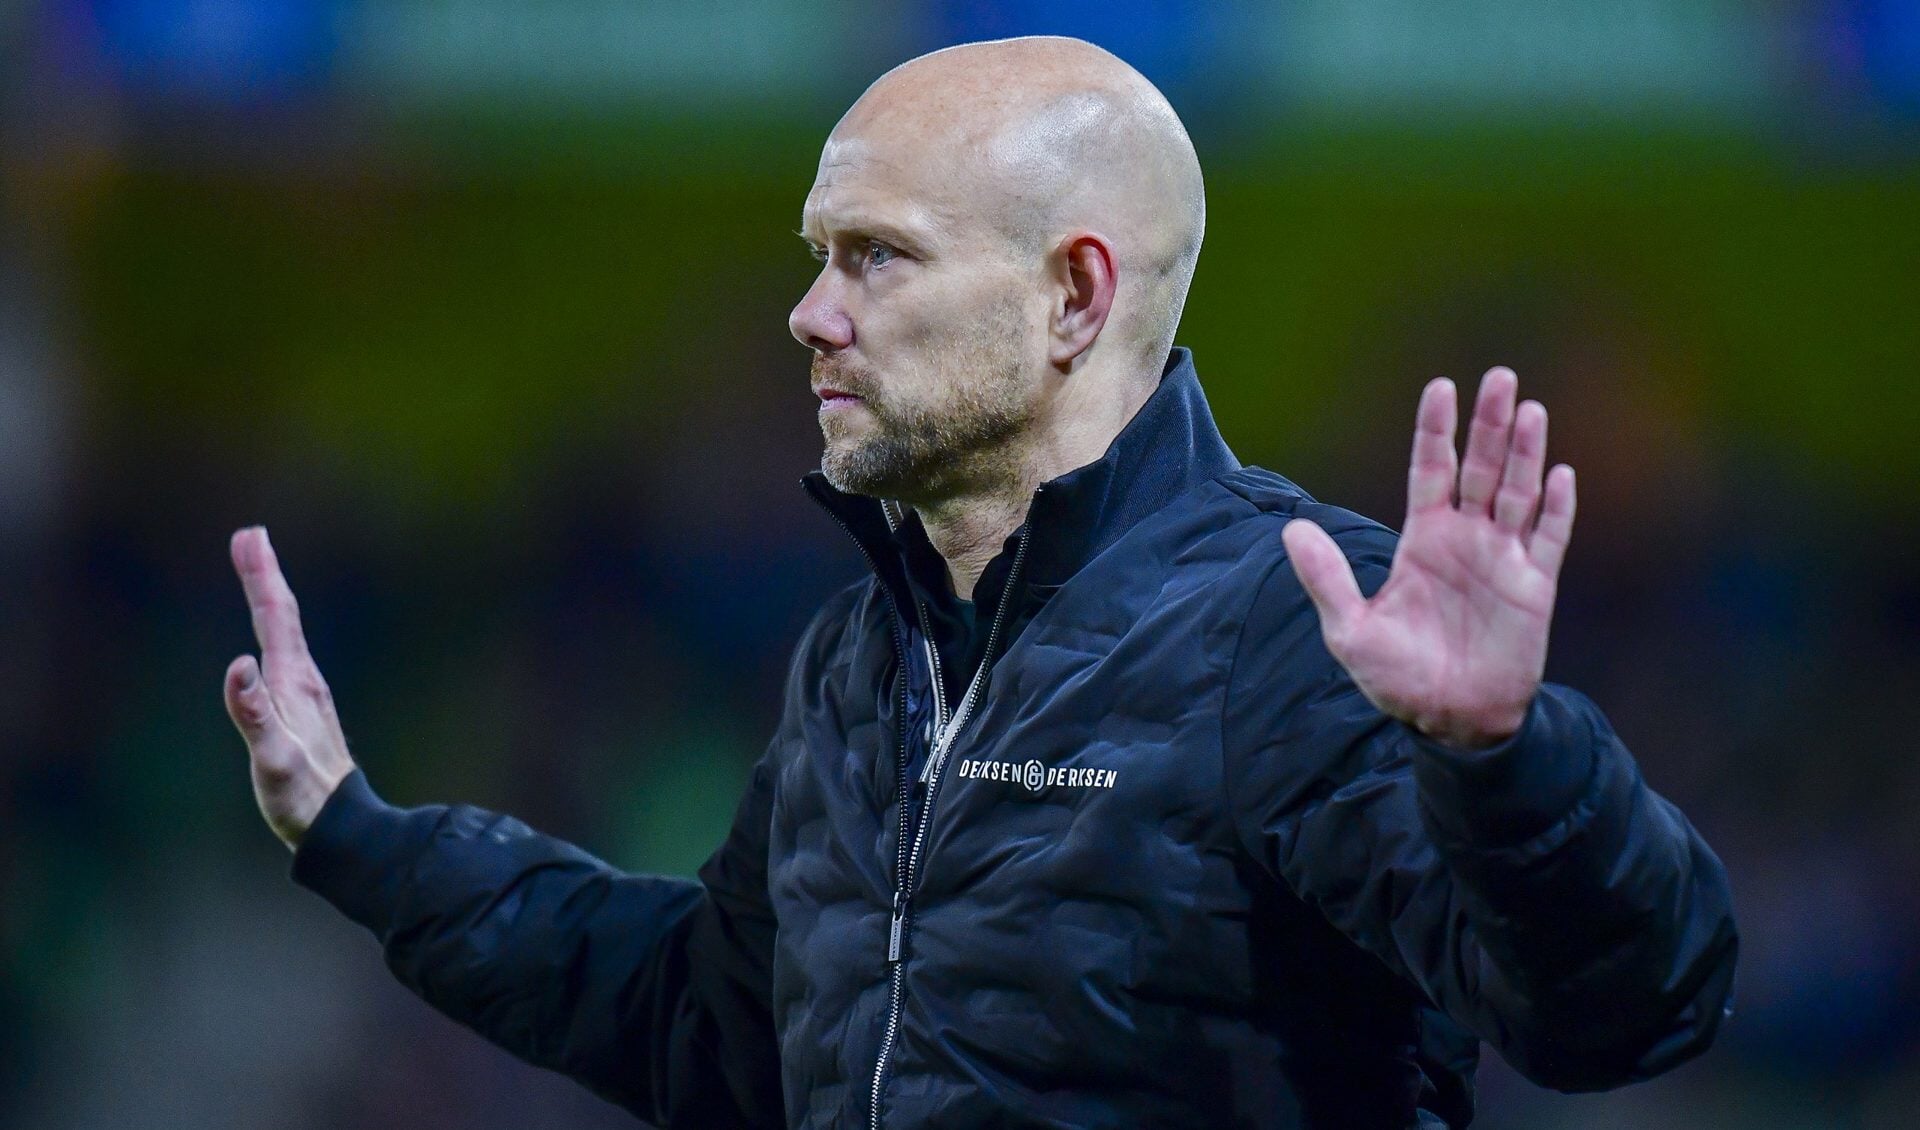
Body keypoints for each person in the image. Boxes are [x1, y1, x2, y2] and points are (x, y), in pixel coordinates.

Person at [221, 36, 1737, 1129]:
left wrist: (1509, 759)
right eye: (820, 254)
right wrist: (361, 834)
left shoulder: (1291, 619)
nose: (810, 312)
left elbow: (1623, 1008)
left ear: (1073, 294)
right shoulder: (861, 658)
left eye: (876, 256)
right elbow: (711, 1023)